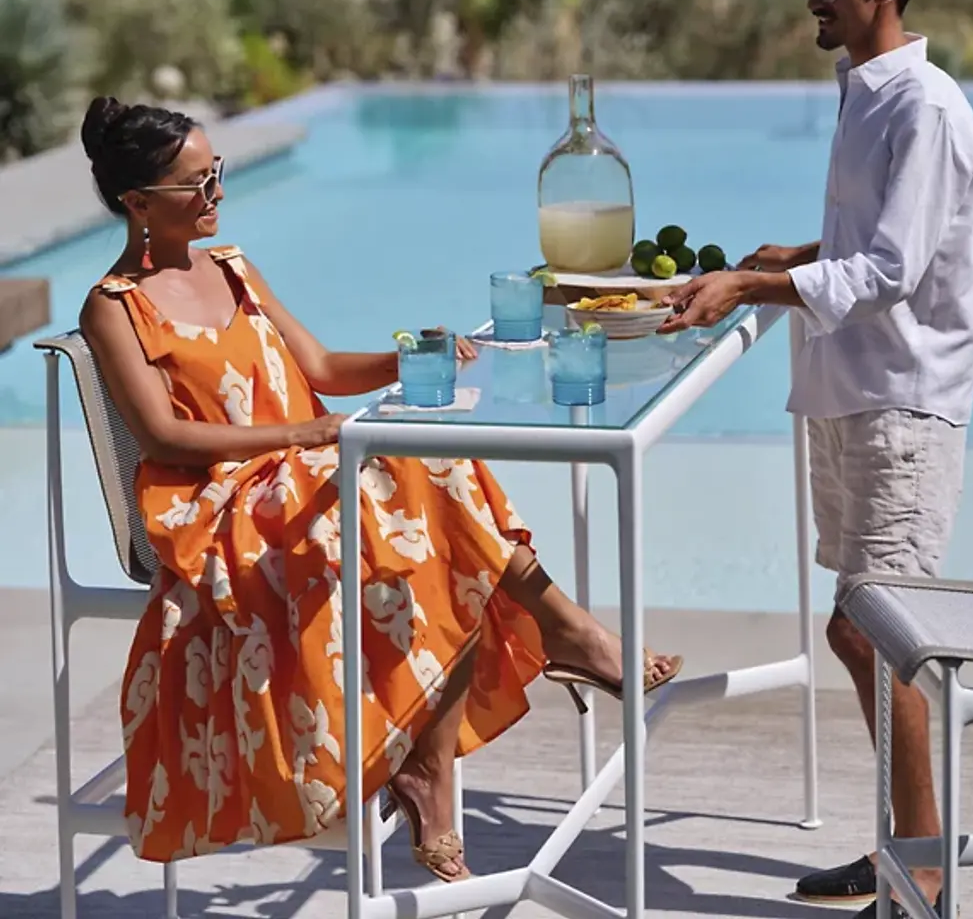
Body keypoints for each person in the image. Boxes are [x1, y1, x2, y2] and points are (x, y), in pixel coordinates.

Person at [79, 96, 682, 882]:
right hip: (223, 504)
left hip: (303, 471)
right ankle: (563, 640)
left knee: (431, 477)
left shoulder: (232, 266)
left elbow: (322, 369)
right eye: (196, 183)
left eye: (215, 171)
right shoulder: (114, 307)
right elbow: (164, 438)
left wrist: (410, 357)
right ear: (137, 202)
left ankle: (444, 755)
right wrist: (303, 434)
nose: (216, 191)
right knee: (419, 488)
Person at [658, 0, 973, 916]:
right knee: (857, 632)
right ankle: (907, 846)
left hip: (902, 405)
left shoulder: (925, 106)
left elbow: (892, 271)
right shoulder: (866, 91)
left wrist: (750, 287)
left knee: (878, 634)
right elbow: (880, 236)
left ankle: (921, 868)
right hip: (851, 395)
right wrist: (797, 254)